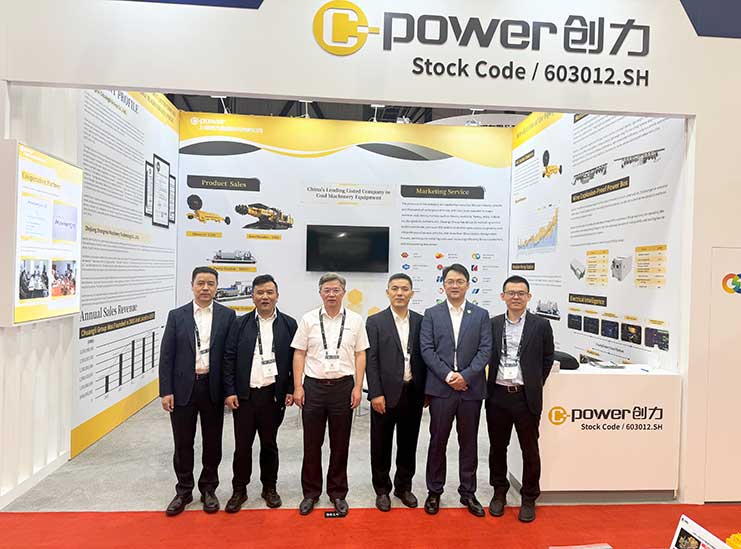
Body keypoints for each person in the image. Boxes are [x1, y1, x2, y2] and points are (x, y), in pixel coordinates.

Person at [158, 266, 236, 516]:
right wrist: (166, 390)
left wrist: (229, 390)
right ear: (192, 285)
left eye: (210, 283)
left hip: (212, 387)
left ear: (216, 287)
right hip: (183, 388)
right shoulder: (176, 316)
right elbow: (166, 356)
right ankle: (183, 490)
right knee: (183, 442)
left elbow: (229, 357)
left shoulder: (227, 315)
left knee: (213, 442)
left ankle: (209, 489)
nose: (205, 288)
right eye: (201, 283)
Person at [291, 272, 369, 516]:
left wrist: (358, 386)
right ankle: (311, 493)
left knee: (340, 444)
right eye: (327, 290)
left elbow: (360, 354)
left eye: (336, 290)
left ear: (343, 292)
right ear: (320, 293)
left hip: (343, 387)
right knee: (311, 444)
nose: (332, 294)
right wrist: (298, 387)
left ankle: (337, 493)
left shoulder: (355, 320)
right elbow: (299, 353)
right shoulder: (308, 319)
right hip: (313, 387)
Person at [222, 274, 297, 513]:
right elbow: (228, 358)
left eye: (269, 292)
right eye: (260, 293)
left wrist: (291, 389)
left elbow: (295, 360)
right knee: (242, 446)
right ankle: (239, 490)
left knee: (269, 444)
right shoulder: (239, 324)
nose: (265, 297)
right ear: (252, 296)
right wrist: (230, 391)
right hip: (244, 397)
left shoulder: (289, 324)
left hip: (272, 397)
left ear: (277, 295)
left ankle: (269, 488)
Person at [420, 263, 492, 517]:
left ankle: (468, 492)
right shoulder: (431, 314)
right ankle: (434, 491)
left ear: (467, 285)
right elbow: (427, 349)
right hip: (441, 389)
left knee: (469, 442)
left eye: (459, 281)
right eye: (450, 281)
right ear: (443, 285)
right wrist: (450, 376)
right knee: (438, 441)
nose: (454, 285)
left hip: (471, 390)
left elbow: (485, 349)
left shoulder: (480, 314)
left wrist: (466, 376)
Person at [487, 275, 554, 523]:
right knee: (497, 447)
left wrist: (534, 384)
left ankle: (529, 497)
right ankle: (499, 492)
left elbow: (547, 358)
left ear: (529, 296)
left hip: (526, 397)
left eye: (521, 293)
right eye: (511, 293)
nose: (516, 297)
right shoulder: (492, 324)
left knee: (530, 449)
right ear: (503, 296)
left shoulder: (541, 325)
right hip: (497, 395)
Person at [365, 273, 426, 512]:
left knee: (408, 444)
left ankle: (403, 487)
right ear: (387, 292)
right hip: (385, 394)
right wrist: (375, 393)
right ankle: (382, 490)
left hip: (413, 392)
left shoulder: (421, 321)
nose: (399, 293)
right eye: (395, 288)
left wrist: (427, 391)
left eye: (404, 289)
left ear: (412, 293)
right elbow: (371, 360)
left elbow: (426, 357)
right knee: (381, 444)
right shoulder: (375, 321)